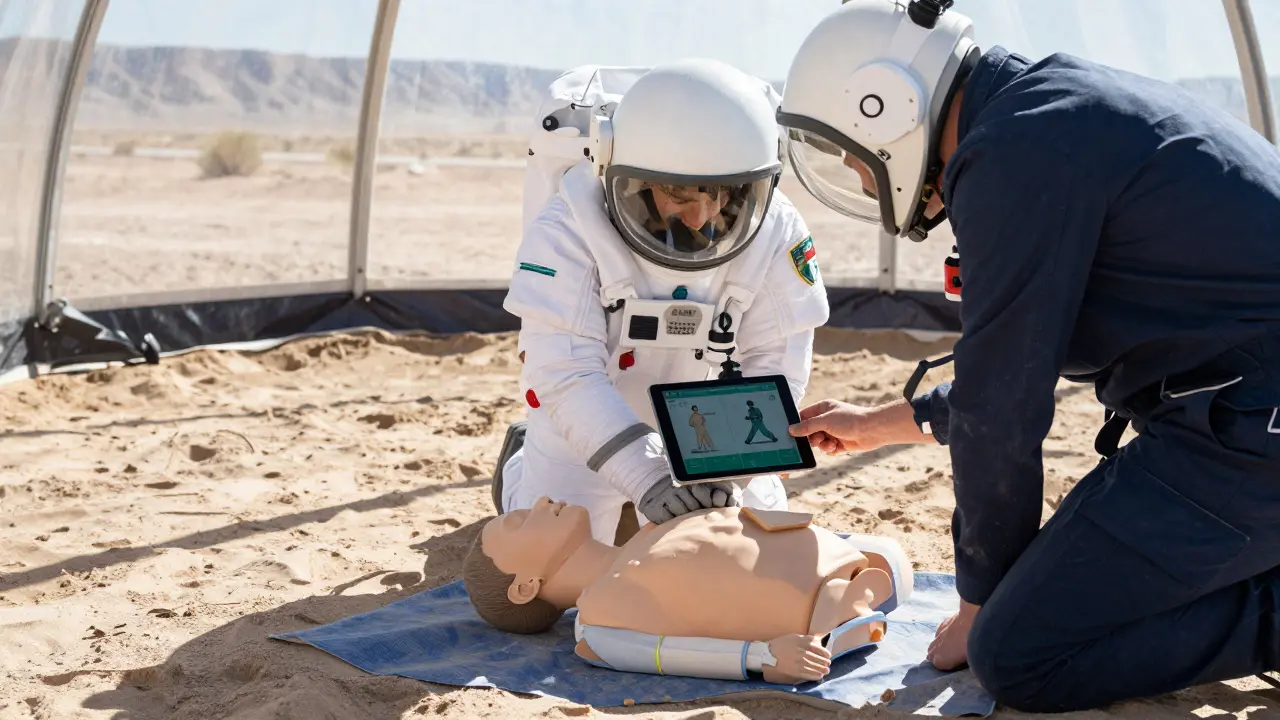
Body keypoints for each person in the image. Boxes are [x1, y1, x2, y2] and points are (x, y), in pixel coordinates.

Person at [775, 0, 1280, 712]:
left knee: (1018, 653)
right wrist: (878, 423)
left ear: (884, 105)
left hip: (1246, 436)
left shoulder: (1012, 156)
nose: (863, 181)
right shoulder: (1044, 113)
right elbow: (1007, 376)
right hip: (1244, 411)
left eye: (854, 158)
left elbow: (1001, 412)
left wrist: (983, 601)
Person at [492, 58, 830, 546]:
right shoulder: (569, 226)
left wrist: (728, 473)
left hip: (709, 428)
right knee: (538, 583)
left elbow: (778, 360)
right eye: (680, 193)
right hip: (582, 425)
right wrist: (645, 476)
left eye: (726, 194)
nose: (701, 216)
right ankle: (519, 460)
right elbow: (566, 373)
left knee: (758, 551)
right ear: (627, 172)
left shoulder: (776, 230)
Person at [462, 496, 912, 684]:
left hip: (847, 559)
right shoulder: (598, 623)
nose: (540, 503)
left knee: (892, 556)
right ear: (525, 587)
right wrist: (762, 658)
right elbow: (666, 653)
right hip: (827, 617)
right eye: (519, 522)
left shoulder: (650, 525)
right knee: (893, 567)